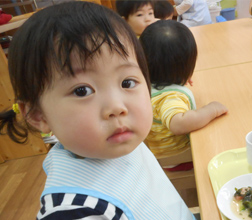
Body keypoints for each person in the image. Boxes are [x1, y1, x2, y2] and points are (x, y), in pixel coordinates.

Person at [0, 2, 195, 219]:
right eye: (82, 91)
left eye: (128, 83)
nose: (117, 107)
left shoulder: (122, 139)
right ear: (38, 115)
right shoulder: (79, 212)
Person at [139, 20, 228, 171]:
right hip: (178, 158)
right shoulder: (170, 97)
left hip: (159, 153)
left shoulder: (147, 85)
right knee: (223, 146)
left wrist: (177, 79)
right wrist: (211, 110)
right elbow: (179, 123)